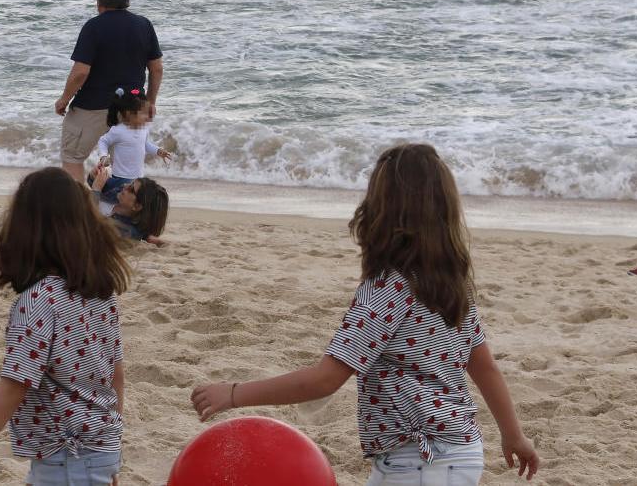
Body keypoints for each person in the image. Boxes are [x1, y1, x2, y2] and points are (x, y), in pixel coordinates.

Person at [189, 144, 541, 485]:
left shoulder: (388, 288)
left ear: (380, 209)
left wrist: (234, 393)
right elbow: (483, 365)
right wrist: (514, 435)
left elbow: (325, 379)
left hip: (420, 461)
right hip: (455, 451)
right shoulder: (452, 282)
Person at [0, 167, 130, 486]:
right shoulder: (101, 292)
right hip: (96, 447)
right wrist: (112, 446)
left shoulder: (39, 300)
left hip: (68, 456)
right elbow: (117, 377)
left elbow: (16, 384)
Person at [55, 0, 163, 183]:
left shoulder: (93, 27)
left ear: (99, 2)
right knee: (125, 164)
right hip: (132, 106)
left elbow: (80, 73)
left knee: (72, 158)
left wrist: (64, 99)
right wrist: (149, 102)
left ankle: (78, 209)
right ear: (127, 1)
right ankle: (124, 209)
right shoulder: (144, 25)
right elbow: (156, 69)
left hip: (93, 106)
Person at [90, 87, 171, 201]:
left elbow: (145, 144)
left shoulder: (144, 129)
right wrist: (103, 156)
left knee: (134, 201)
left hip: (138, 178)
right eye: (143, 113)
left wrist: (158, 151)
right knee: (116, 200)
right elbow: (103, 141)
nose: (147, 116)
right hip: (120, 178)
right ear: (129, 114)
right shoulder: (118, 130)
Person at [90, 165, 169, 246]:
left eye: (131, 189)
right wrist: (94, 176)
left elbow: (89, 229)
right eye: (130, 184)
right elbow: (101, 185)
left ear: (137, 206)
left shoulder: (125, 231)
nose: (125, 185)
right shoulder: (120, 197)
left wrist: (96, 190)